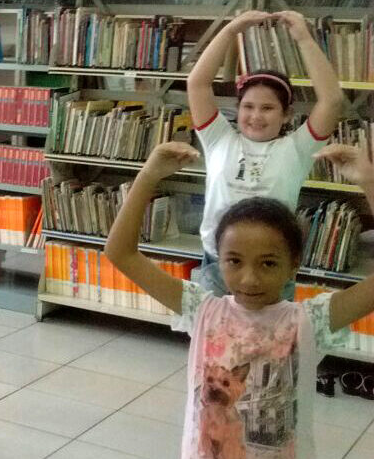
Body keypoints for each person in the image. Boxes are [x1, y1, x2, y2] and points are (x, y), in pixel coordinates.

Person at [104, 141, 374, 459]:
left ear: (294, 264)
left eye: (268, 263)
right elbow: (119, 252)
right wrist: (149, 175)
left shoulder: (308, 320)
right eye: (234, 261)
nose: (249, 279)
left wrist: (367, 180)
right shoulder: (202, 310)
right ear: (218, 260)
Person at [187, 10, 343, 299]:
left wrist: (304, 38)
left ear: (286, 115)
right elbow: (197, 84)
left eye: (268, 108)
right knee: (216, 342)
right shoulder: (218, 139)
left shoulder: (297, 149)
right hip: (219, 264)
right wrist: (231, 29)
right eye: (248, 107)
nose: (256, 116)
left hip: (273, 266)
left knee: (270, 342)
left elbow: (332, 100)